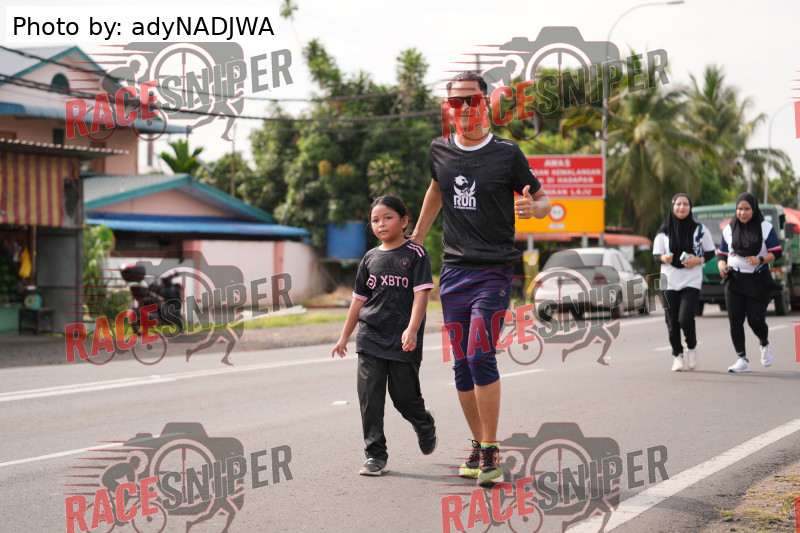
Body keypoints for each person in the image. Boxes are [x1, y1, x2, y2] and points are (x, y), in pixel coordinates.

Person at [410, 72, 550, 487]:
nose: (464, 108)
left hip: (494, 271)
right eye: (455, 102)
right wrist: (415, 239)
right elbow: (436, 191)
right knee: (461, 364)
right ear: (449, 108)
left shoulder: (507, 154)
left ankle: (490, 449)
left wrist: (534, 210)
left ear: (485, 103)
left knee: (478, 354)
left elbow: (542, 200)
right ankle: (478, 444)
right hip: (454, 272)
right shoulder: (439, 150)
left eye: (471, 100)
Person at [332, 195, 436, 476]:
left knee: (404, 398)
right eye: (375, 220)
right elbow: (358, 300)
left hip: (403, 338)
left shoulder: (415, 254)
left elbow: (421, 295)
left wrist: (412, 329)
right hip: (370, 337)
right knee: (370, 398)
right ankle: (375, 455)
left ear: (404, 221)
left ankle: (423, 423)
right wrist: (344, 336)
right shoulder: (369, 258)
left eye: (388, 217)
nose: (381, 224)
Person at [717, 192, 781, 373]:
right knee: (735, 319)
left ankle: (764, 342)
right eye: (739, 209)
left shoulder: (765, 228)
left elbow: (776, 252)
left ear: (754, 209)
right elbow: (722, 255)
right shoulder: (729, 229)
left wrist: (760, 259)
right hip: (734, 280)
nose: (742, 213)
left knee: (755, 320)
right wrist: (722, 267)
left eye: (747, 209)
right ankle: (742, 359)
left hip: (758, 280)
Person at [652, 193, 716, 371]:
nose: (682, 207)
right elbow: (656, 256)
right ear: (672, 207)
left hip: (691, 279)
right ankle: (677, 356)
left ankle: (692, 348)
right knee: (671, 321)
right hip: (668, 280)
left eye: (685, 204)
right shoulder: (663, 233)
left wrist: (698, 260)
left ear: (690, 207)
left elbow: (711, 252)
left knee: (685, 318)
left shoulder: (700, 230)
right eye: (678, 204)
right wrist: (664, 258)